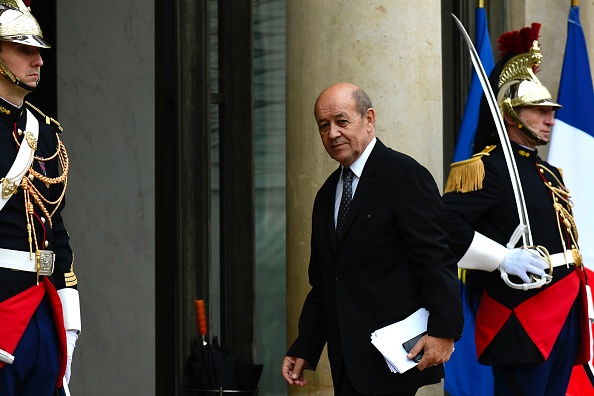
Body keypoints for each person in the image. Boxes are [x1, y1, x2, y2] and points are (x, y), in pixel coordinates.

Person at [281, 82, 464, 395]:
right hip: (346, 359)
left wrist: (445, 331)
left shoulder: (404, 175)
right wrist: (306, 346)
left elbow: (436, 259)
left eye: (342, 121)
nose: (333, 133)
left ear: (369, 119)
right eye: (323, 126)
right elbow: (326, 281)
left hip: (394, 356)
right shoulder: (327, 194)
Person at [442, 24, 590, 396]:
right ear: (510, 114)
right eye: (538, 110)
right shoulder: (487, 168)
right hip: (520, 315)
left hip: (565, 309)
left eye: (550, 110)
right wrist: (501, 258)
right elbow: (443, 226)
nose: (550, 118)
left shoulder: (546, 171)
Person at [0, 1, 81, 395]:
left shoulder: (43, 133)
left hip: (42, 314)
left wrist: (69, 314)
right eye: (23, 50)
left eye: (39, 51)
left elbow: (56, 230)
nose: (38, 61)